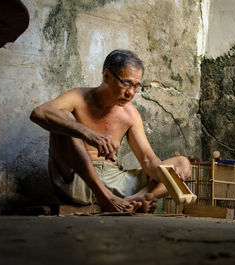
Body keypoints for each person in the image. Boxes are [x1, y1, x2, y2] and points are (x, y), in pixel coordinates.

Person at [30, 49, 192, 213]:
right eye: (126, 84)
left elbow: (149, 161)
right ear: (106, 76)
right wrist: (89, 134)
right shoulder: (78, 97)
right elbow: (39, 113)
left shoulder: (130, 114)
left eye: (136, 86)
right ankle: (105, 197)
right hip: (77, 180)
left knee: (183, 164)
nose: (130, 93)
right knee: (63, 118)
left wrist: (170, 175)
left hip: (117, 181)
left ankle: (134, 200)